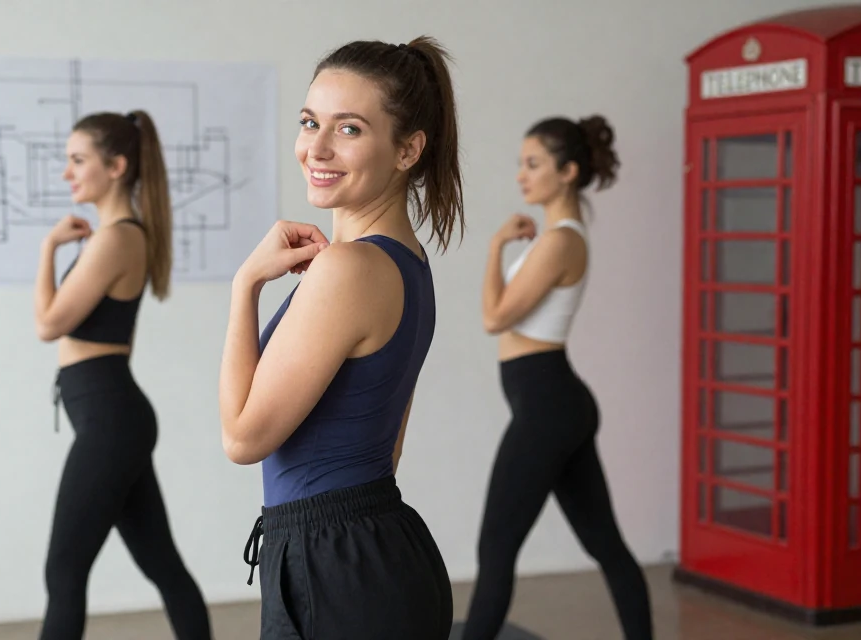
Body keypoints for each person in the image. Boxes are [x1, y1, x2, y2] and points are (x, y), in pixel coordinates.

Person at [218, 36, 464, 640]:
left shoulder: (348, 269)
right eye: (310, 122)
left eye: (349, 128)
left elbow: (243, 438)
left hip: (334, 565)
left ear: (408, 149)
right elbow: (390, 446)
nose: (317, 148)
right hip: (372, 549)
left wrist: (245, 286)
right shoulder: (409, 263)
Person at [461, 115, 653, 639]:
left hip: (548, 405)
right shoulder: (554, 239)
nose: (521, 175)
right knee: (605, 545)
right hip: (555, 404)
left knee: (496, 547)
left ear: (567, 172)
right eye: (520, 164)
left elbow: (494, 318)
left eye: (533, 164)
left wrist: (496, 246)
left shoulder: (560, 242)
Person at [33, 110, 212, 639]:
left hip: (111, 421)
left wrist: (47, 249)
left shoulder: (116, 239)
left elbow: (48, 324)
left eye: (77, 160)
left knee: (64, 571)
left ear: (115, 167)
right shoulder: (117, 237)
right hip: (113, 418)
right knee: (163, 566)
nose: (67, 172)